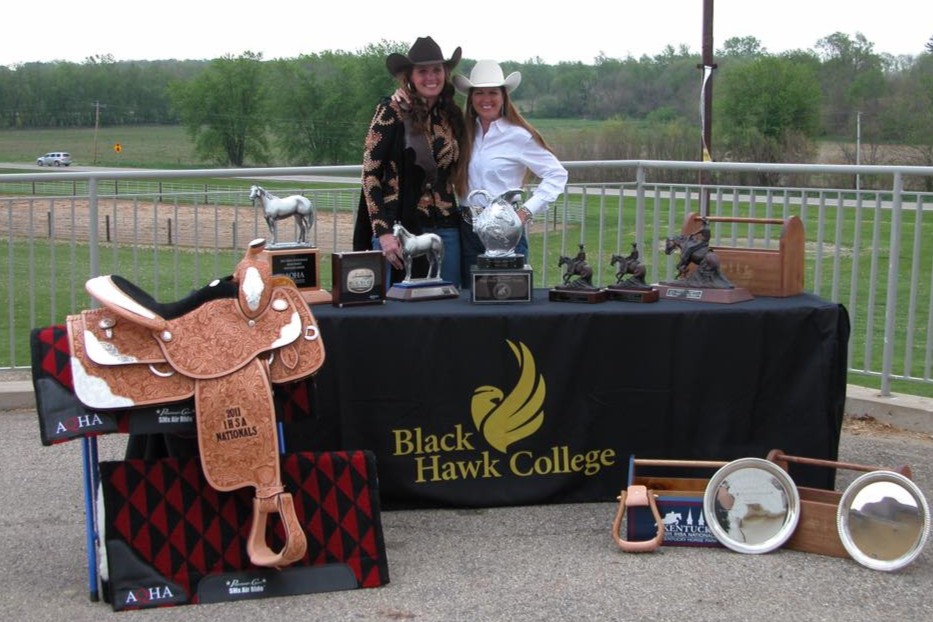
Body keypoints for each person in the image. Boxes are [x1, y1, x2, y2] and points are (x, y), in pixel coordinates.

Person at [353, 36, 466, 287]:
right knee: (399, 313)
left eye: (436, 70)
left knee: (449, 307)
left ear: (445, 73)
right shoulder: (391, 112)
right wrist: (383, 232)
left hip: (447, 227)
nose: (431, 77)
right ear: (410, 76)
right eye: (422, 71)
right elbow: (369, 174)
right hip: (400, 230)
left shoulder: (452, 115)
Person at [451, 59, 568, 285]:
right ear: (471, 98)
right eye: (479, 93)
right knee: (470, 305)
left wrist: (524, 212)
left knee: (508, 300)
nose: (486, 99)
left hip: (505, 231)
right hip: (467, 229)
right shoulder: (463, 133)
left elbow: (556, 174)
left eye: (493, 92)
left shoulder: (519, 136)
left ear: (504, 96)